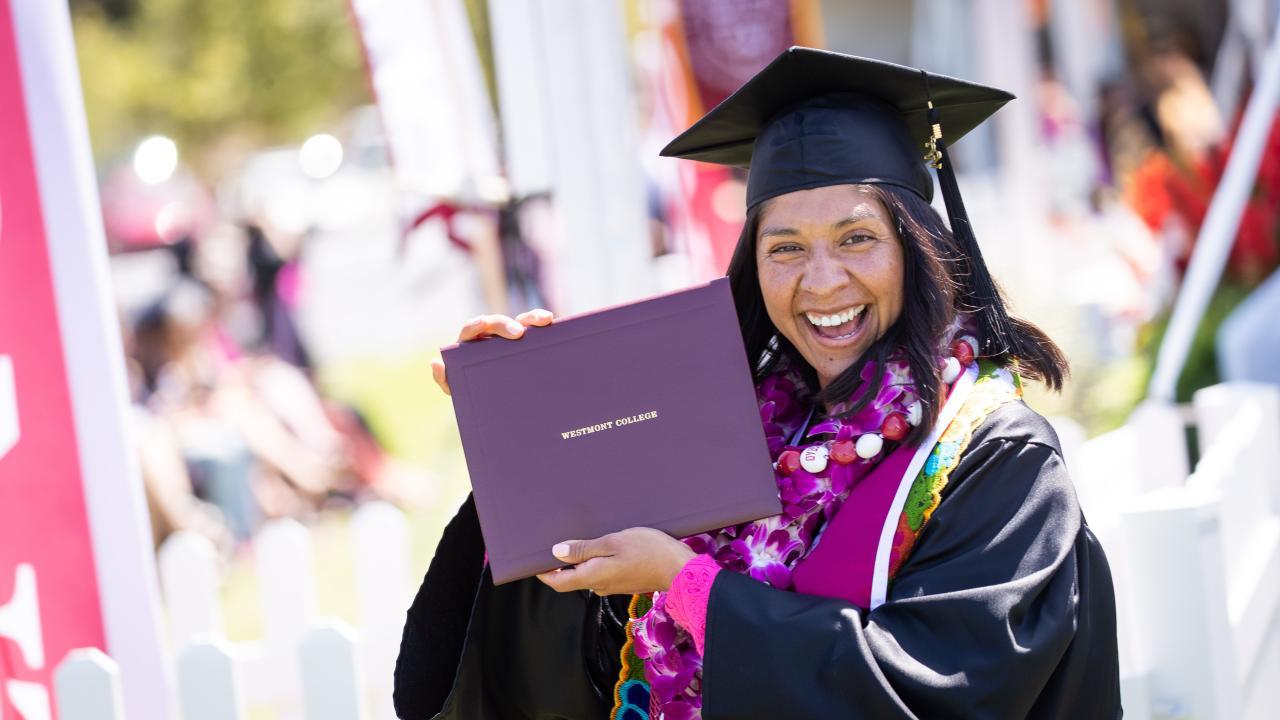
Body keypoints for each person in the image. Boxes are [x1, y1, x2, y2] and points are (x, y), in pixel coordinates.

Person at [394, 48, 1121, 719]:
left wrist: (691, 587)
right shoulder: (731, 425)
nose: (822, 279)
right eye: (786, 248)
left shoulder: (998, 457)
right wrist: (519, 427)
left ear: (917, 244)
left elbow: (943, 688)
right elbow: (581, 648)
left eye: (857, 238)